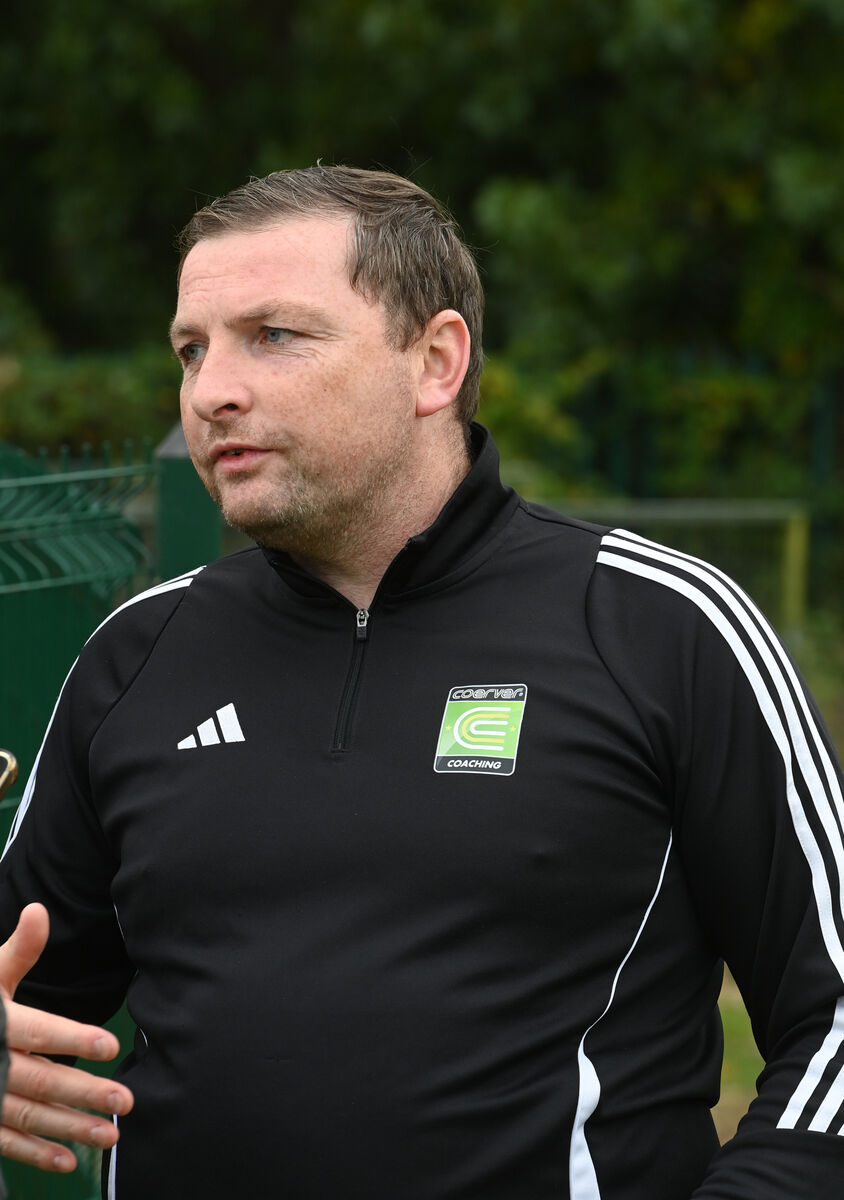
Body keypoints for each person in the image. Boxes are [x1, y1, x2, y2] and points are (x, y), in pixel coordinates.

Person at [0, 164, 842, 1199]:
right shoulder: (138, 654)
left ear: (434, 361)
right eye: (191, 347)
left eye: (274, 335)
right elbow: (28, 988)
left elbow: (832, 1016)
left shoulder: (658, 626)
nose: (211, 388)